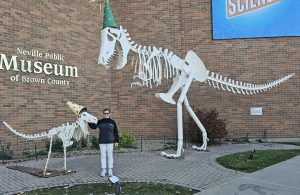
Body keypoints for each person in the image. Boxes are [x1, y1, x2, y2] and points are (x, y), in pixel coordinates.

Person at [89, 108, 119, 177]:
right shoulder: (100, 121)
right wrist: (89, 121)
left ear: (109, 114)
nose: (106, 114)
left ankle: (110, 170)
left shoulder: (112, 122)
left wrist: (116, 141)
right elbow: (93, 127)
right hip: (102, 141)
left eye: (107, 113)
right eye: (105, 113)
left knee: (110, 156)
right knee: (103, 156)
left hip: (110, 142)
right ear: (103, 114)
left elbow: (116, 131)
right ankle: (103, 170)